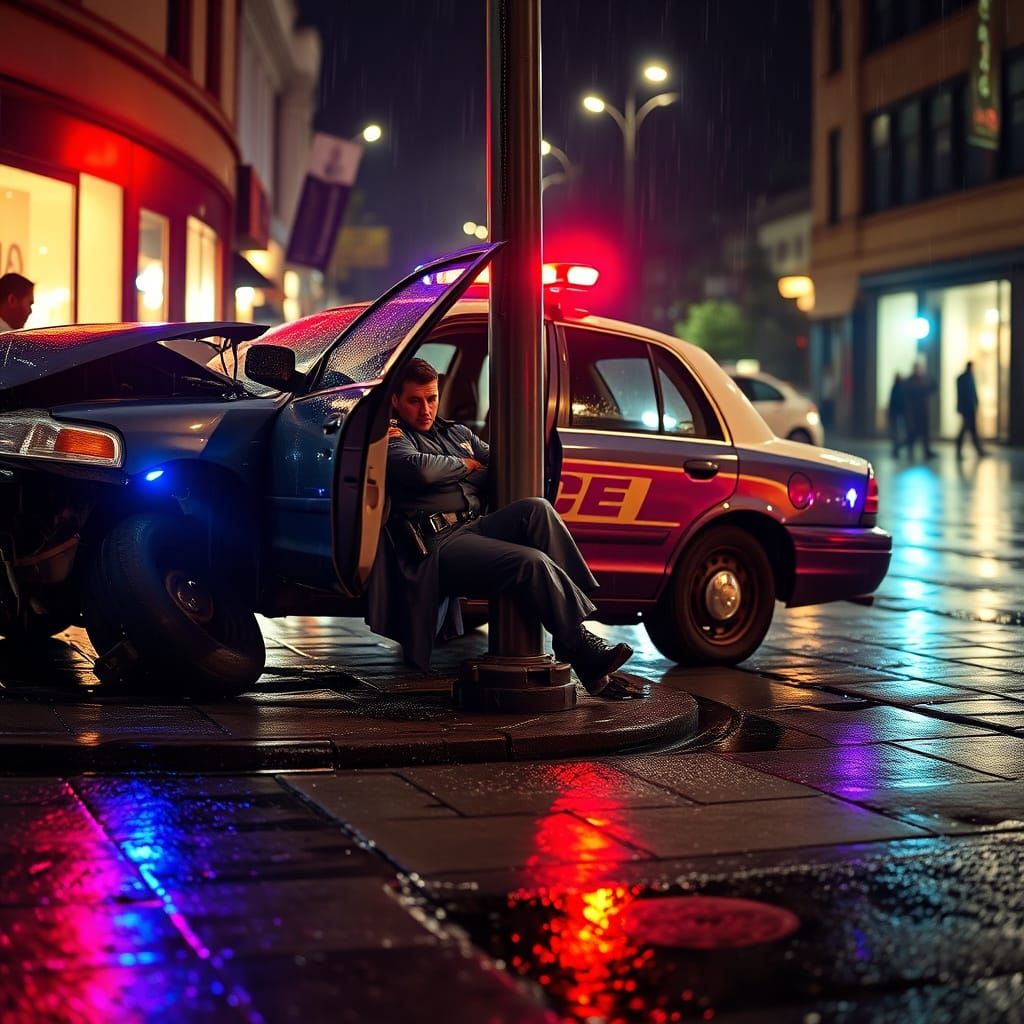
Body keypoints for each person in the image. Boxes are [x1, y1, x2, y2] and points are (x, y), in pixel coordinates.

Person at [365, 357, 641, 700]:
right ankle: (578, 641)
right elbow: (417, 470)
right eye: (415, 400)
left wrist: (457, 468)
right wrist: (466, 466)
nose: (426, 409)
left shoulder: (458, 433)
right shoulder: (391, 436)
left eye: (432, 398)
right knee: (531, 562)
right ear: (395, 400)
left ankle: (575, 630)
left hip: (475, 527)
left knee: (536, 510)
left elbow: (501, 464)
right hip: (437, 548)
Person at [903, 361, 936, 459]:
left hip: (923, 412)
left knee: (924, 433)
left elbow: (933, 387)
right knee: (912, 433)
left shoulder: (923, 380)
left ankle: (926, 451)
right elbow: (907, 397)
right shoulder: (910, 382)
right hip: (914, 412)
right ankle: (907, 450)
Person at [955, 360, 987, 458]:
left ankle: (979, 450)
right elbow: (964, 395)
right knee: (967, 429)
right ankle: (976, 450)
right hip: (967, 408)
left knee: (971, 430)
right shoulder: (963, 379)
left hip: (970, 407)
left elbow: (973, 393)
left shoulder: (969, 378)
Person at [888, 371, 907, 457]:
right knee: (898, 432)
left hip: (897, 413)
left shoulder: (896, 388)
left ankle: (897, 448)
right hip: (898, 413)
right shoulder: (901, 388)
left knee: (897, 432)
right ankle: (897, 447)